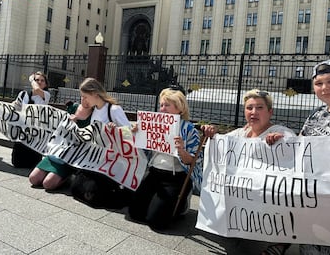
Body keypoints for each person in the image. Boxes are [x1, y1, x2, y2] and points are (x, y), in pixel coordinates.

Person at [202, 89, 297, 255]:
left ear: (270, 112)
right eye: (249, 108)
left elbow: (293, 149)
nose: (253, 112)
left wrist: (281, 143)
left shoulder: (282, 132)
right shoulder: (241, 133)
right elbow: (220, 144)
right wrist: (212, 133)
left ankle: (280, 243)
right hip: (242, 207)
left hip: (268, 208)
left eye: (259, 107)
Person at [128, 87, 201, 230]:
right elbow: (143, 150)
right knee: (135, 213)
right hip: (155, 172)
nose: (162, 109)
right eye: (161, 105)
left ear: (179, 107)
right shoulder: (154, 124)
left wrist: (181, 149)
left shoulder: (189, 129)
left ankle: (182, 204)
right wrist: (137, 135)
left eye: (167, 105)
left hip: (175, 177)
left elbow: (192, 162)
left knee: (156, 222)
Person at [70, 77, 132, 208]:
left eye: (85, 96)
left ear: (94, 94)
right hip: (96, 159)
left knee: (93, 196)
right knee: (75, 188)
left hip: (112, 161)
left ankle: (121, 194)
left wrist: (116, 130)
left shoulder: (114, 110)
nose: (84, 100)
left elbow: (130, 134)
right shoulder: (94, 110)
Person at [298, 60, 330, 255]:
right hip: (315, 206)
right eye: (319, 83)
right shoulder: (316, 115)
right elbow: (300, 148)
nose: (325, 87)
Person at [28, 101, 93, 190]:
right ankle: (53, 174)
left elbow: (88, 139)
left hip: (69, 157)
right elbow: (58, 128)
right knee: (33, 179)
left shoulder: (94, 115)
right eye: (83, 96)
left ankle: (67, 177)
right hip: (56, 152)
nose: (84, 99)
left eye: (87, 97)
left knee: (48, 184)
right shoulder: (73, 108)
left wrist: (73, 126)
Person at [11, 71, 50, 168]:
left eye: (42, 80)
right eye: (37, 80)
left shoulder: (46, 95)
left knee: (33, 162)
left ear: (45, 84)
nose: (39, 82)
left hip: (36, 130)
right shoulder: (23, 94)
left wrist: (32, 79)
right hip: (23, 129)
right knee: (17, 162)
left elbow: (36, 89)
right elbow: (15, 106)